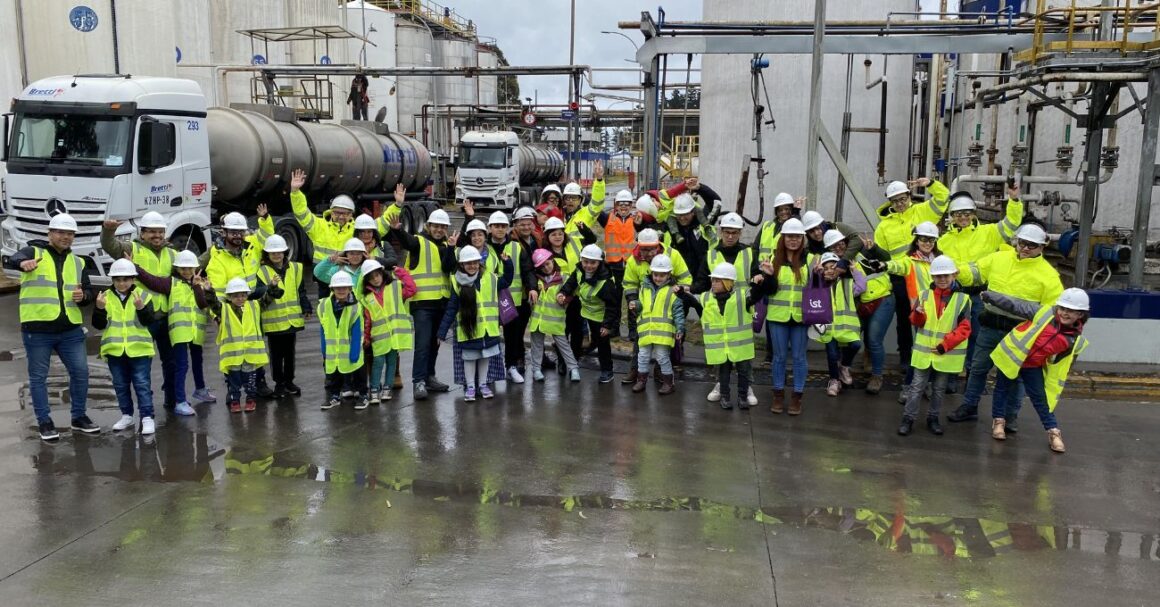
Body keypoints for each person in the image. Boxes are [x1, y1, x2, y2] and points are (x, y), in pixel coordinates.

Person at [947, 223, 1064, 430]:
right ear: (1016, 242)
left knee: (1015, 376)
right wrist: (957, 271)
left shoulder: (1048, 276)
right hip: (991, 326)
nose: (1025, 248)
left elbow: (1052, 312)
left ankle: (1010, 417)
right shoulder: (999, 258)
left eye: (1032, 245)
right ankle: (970, 405)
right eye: (1022, 243)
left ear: (1041, 247)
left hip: (1020, 335)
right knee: (977, 368)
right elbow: (976, 272)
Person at [5, 213, 99, 441]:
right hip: (38, 329)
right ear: (50, 233)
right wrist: (22, 263)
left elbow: (88, 293)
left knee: (80, 372)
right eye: (61, 232)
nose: (66, 237)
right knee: (38, 378)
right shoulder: (33, 252)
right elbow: (10, 260)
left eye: (70, 234)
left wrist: (84, 296)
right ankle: (45, 422)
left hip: (70, 330)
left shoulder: (78, 262)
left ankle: (78, 417)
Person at [938, 185, 1024, 392]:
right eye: (958, 214)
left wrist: (1014, 201)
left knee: (977, 338)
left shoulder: (990, 232)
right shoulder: (944, 241)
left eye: (967, 213)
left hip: (981, 296)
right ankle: (949, 378)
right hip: (955, 295)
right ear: (952, 216)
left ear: (973, 214)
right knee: (952, 335)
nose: (963, 218)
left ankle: (971, 380)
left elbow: (1012, 223)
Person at [983, 288, 1090, 453]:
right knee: (1002, 389)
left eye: (1070, 310)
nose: (1064, 313)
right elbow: (1015, 305)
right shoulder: (1044, 313)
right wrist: (990, 296)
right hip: (1012, 356)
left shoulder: (1074, 340)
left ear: (1081, 314)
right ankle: (998, 422)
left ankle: (1053, 431)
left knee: (1040, 399)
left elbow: (1062, 363)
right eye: (1062, 308)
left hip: (1033, 365)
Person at [874, 177, 951, 381]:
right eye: (895, 201)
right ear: (890, 203)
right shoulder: (884, 227)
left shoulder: (922, 211)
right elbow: (882, 254)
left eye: (903, 199)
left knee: (931, 318)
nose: (900, 204)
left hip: (925, 274)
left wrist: (930, 184)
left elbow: (944, 198)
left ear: (909, 197)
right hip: (900, 275)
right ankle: (906, 359)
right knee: (904, 319)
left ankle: (930, 356)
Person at [101, 211, 179, 410]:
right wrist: (108, 231)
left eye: (160, 232)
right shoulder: (132, 248)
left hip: (167, 316)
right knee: (142, 364)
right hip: (143, 316)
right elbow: (111, 246)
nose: (157, 236)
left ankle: (171, 399)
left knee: (170, 363)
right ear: (142, 233)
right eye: (152, 232)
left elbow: (179, 280)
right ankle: (147, 405)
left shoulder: (172, 253)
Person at [386, 193, 456, 400]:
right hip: (422, 305)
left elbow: (449, 268)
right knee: (423, 343)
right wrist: (397, 230)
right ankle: (419, 382)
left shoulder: (447, 247)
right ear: (428, 226)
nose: (439, 229)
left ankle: (430, 377)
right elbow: (406, 241)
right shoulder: (418, 242)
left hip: (441, 303)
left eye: (442, 227)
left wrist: (452, 248)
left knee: (434, 343)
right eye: (435, 226)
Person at [866, 220, 944, 404]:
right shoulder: (910, 261)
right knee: (919, 353)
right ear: (916, 241)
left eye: (931, 240)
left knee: (935, 353)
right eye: (923, 239)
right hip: (922, 314)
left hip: (941, 314)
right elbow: (897, 265)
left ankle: (928, 385)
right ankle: (909, 388)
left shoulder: (940, 261)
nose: (927, 243)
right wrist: (884, 265)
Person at [202, 208, 276, 397]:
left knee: (256, 345)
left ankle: (259, 384)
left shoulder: (251, 245)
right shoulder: (217, 259)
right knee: (233, 350)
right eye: (233, 232)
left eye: (240, 232)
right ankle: (233, 390)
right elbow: (217, 291)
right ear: (224, 232)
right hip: (230, 308)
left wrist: (265, 219)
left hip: (251, 304)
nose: (238, 236)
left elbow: (267, 235)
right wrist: (217, 315)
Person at [132, 250, 213, 416]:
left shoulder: (201, 283)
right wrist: (135, 268)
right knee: (181, 366)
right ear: (176, 268)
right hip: (179, 333)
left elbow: (203, 303)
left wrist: (198, 286)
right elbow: (152, 281)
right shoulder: (171, 283)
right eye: (182, 268)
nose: (186, 271)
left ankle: (200, 389)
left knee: (198, 361)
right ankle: (180, 401)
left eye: (189, 268)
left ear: (195, 268)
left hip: (196, 332)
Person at [897, 255, 971, 437]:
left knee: (938, 389)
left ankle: (933, 418)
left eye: (946, 275)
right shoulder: (924, 295)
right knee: (916, 387)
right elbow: (916, 322)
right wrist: (918, 314)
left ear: (954, 275)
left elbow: (965, 328)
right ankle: (908, 419)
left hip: (944, 353)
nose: (943, 279)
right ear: (932, 277)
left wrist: (944, 346)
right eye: (938, 276)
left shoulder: (963, 299)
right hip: (924, 353)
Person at [677, 262, 765, 410]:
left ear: (728, 283)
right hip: (721, 347)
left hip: (740, 347)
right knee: (723, 373)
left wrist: (760, 282)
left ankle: (743, 397)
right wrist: (680, 291)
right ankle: (725, 396)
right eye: (713, 280)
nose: (714, 283)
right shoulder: (706, 298)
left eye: (718, 280)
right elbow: (691, 299)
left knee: (743, 372)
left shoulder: (742, 296)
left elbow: (756, 294)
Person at [438, 246, 514, 401]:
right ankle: (471, 387)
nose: (472, 266)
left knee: (485, 357)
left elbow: (506, 280)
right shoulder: (457, 282)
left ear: (480, 262)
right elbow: (451, 309)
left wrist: (508, 264)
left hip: (488, 330)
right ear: (462, 265)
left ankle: (483, 385)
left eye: (475, 263)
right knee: (470, 359)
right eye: (468, 263)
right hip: (469, 330)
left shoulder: (491, 278)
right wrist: (441, 332)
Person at [620, 228, 694, 385]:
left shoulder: (672, 255)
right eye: (644, 249)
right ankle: (636, 369)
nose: (648, 254)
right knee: (640, 341)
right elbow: (629, 284)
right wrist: (634, 303)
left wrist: (679, 293)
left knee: (666, 344)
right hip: (645, 305)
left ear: (658, 244)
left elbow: (686, 279)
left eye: (651, 249)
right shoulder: (634, 260)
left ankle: (661, 371)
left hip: (668, 305)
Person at [93, 259, 158, 435]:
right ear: (112, 280)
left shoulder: (143, 296)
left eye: (126, 279)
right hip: (114, 350)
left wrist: (141, 308)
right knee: (120, 385)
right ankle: (127, 415)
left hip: (139, 350)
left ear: (133, 279)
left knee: (142, 384)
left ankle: (147, 417)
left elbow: (149, 321)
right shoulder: (104, 297)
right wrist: (99, 309)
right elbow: (98, 325)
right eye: (118, 279)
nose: (122, 283)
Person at [699, 212, 757, 406]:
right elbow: (701, 281)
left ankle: (746, 387)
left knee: (743, 356)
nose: (730, 236)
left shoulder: (749, 252)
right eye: (727, 232)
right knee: (721, 354)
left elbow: (756, 276)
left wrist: (760, 278)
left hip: (741, 310)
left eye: (734, 232)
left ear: (740, 233)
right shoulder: (711, 253)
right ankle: (721, 386)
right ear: (721, 231)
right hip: (719, 307)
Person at [757, 218, 812, 415]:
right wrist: (769, 276)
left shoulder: (809, 261)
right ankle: (778, 394)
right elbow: (769, 292)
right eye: (790, 236)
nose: (793, 240)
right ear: (783, 238)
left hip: (800, 317)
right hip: (778, 317)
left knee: (799, 357)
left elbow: (816, 289)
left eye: (797, 236)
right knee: (779, 357)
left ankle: (797, 396)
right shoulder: (772, 260)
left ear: (802, 238)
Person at [210, 277, 278, 413]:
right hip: (233, 355)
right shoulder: (224, 309)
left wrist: (272, 286)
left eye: (243, 295)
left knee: (250, 380)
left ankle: (250, 399)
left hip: (250, 354)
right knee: (233, 381)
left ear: (247, 295)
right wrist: (209, 290)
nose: (240, 298)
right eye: (236, 296)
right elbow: (213, 303)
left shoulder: (254, 306)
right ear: (229, 297)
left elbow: (267, 298)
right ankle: (235, 401)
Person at [257, 235, 311, 399]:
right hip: (274, 323)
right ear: (267, 254)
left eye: (279, 252)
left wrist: (306, 306)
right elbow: (261, 297)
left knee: (290, 353)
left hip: (291, 321)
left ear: (284, 252)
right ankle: (279, 383)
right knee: (276, 354)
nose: (276, 255)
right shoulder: (262, 271)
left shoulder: (295, 268)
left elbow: (300, 291)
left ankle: (289, 381)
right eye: (273, 253)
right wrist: (271, 288)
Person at [560, 244, 621, 383]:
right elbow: (572, 282)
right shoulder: (580, 270)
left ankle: (607, 370)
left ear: (600, 262)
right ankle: (573, 361)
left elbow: (613, 306)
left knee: (602, 344)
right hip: (583, 310)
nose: (588, 266)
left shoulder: (606, 282)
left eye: (593, 262)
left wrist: (607, 326)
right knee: (576, 336)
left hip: (599, 316)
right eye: (585, 261)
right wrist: (563, 292)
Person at [358, 259, 416, 404]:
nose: (375, 279)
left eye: (377, 275)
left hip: (395, 336)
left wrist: (401, 272)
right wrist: (366, 337)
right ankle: (375, 389)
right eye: (371, 278)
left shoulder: (395, 287)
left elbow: (412, 289)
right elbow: (367, 320)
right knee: (378, 363)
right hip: (379, 338)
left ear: (383, 274)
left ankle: (387, 388)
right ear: (366, 281)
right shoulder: (367, 298)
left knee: (391, 362)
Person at [812, 252, 866, 397]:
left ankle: (844, 366)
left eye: (833, 267)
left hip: (845, 329)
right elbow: (811, 290)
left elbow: (861, 287)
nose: (830, 270)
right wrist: (815, 274)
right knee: (832, 355)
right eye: (826, 267)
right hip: (828, 329)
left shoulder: (846, 284)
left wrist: (855, 271)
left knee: (856, 345)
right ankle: (834, 380)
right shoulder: (820, 286)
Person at [630, 254, 684, 395]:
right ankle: (641, 380)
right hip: (646, 329)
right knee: (642, 356)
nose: (658, 278)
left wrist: (680, 328)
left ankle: (668, 383)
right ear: (651, 273)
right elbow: (642, 305)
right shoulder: (644, 288)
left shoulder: (673, 291)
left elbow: (678, 311)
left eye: (662, 275)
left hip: (663, 332)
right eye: (656, 274)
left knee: (662, 357)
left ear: (669, 275)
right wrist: (636, 305)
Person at [497, 207, 539, 382]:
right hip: (509, 296)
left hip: (526, 294)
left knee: (523, 329)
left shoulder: (537, 238)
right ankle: (515, 361)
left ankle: (518, 360)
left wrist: (533, 287)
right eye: (522, 224)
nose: (526, 227)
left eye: (529, 223)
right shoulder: (512, 241)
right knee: (512, 333)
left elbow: (529, 269)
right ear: (514, 225)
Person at [317, 271, 369, 410]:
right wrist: (324, 347)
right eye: (338, 288)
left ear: (350, 288)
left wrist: (355, 351)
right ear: (332, 289)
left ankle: (363, 395)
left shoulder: (355, 306)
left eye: (344, 287)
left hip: (351, 347)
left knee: (358, 371)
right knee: (334, 374)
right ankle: (334, 396)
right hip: (333, 349)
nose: (341, 290)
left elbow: (357, 330)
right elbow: (323, 327)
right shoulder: (323, 305)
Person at [527, 249, 579, 382]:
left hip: (556, 320)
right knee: (537, 346)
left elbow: (573, 292)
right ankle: (536, 369)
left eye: (548, 264)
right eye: (542, 266)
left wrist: (565, 299)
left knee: (564, 346)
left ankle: (574, 368)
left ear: (553, 261)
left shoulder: (564, 277)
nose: (546, 268)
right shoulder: (536, 280)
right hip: (537, 320)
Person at [288, 168, 355, 268]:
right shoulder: (319, 226)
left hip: (346, 275)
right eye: (337, 212)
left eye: (345, 213)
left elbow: (381, 224)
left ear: (351, 215)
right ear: (331, 212)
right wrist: (295, 192)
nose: (341, 216)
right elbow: (301, 212)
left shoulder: (358, 230)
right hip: (322, 274)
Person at [596, 189, 640, 285]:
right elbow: (595, 208)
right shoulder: (607, 219)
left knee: (631, 291)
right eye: (620, 204)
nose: (623, 206)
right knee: (615, 294)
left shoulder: (636, 220)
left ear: (631, 205)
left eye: (627, 204)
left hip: (630, 265)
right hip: (612, 266)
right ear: (616, 205)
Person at [754, 192, 801, 260]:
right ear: (776, 211)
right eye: (780, 210)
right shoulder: (767, 225)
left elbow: (794, 227)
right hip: (762, 267)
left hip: (780, 267)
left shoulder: (792, 226)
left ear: (792, 210)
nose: (783, 212)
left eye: (787, 209)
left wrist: (796, 212)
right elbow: (755, 248)